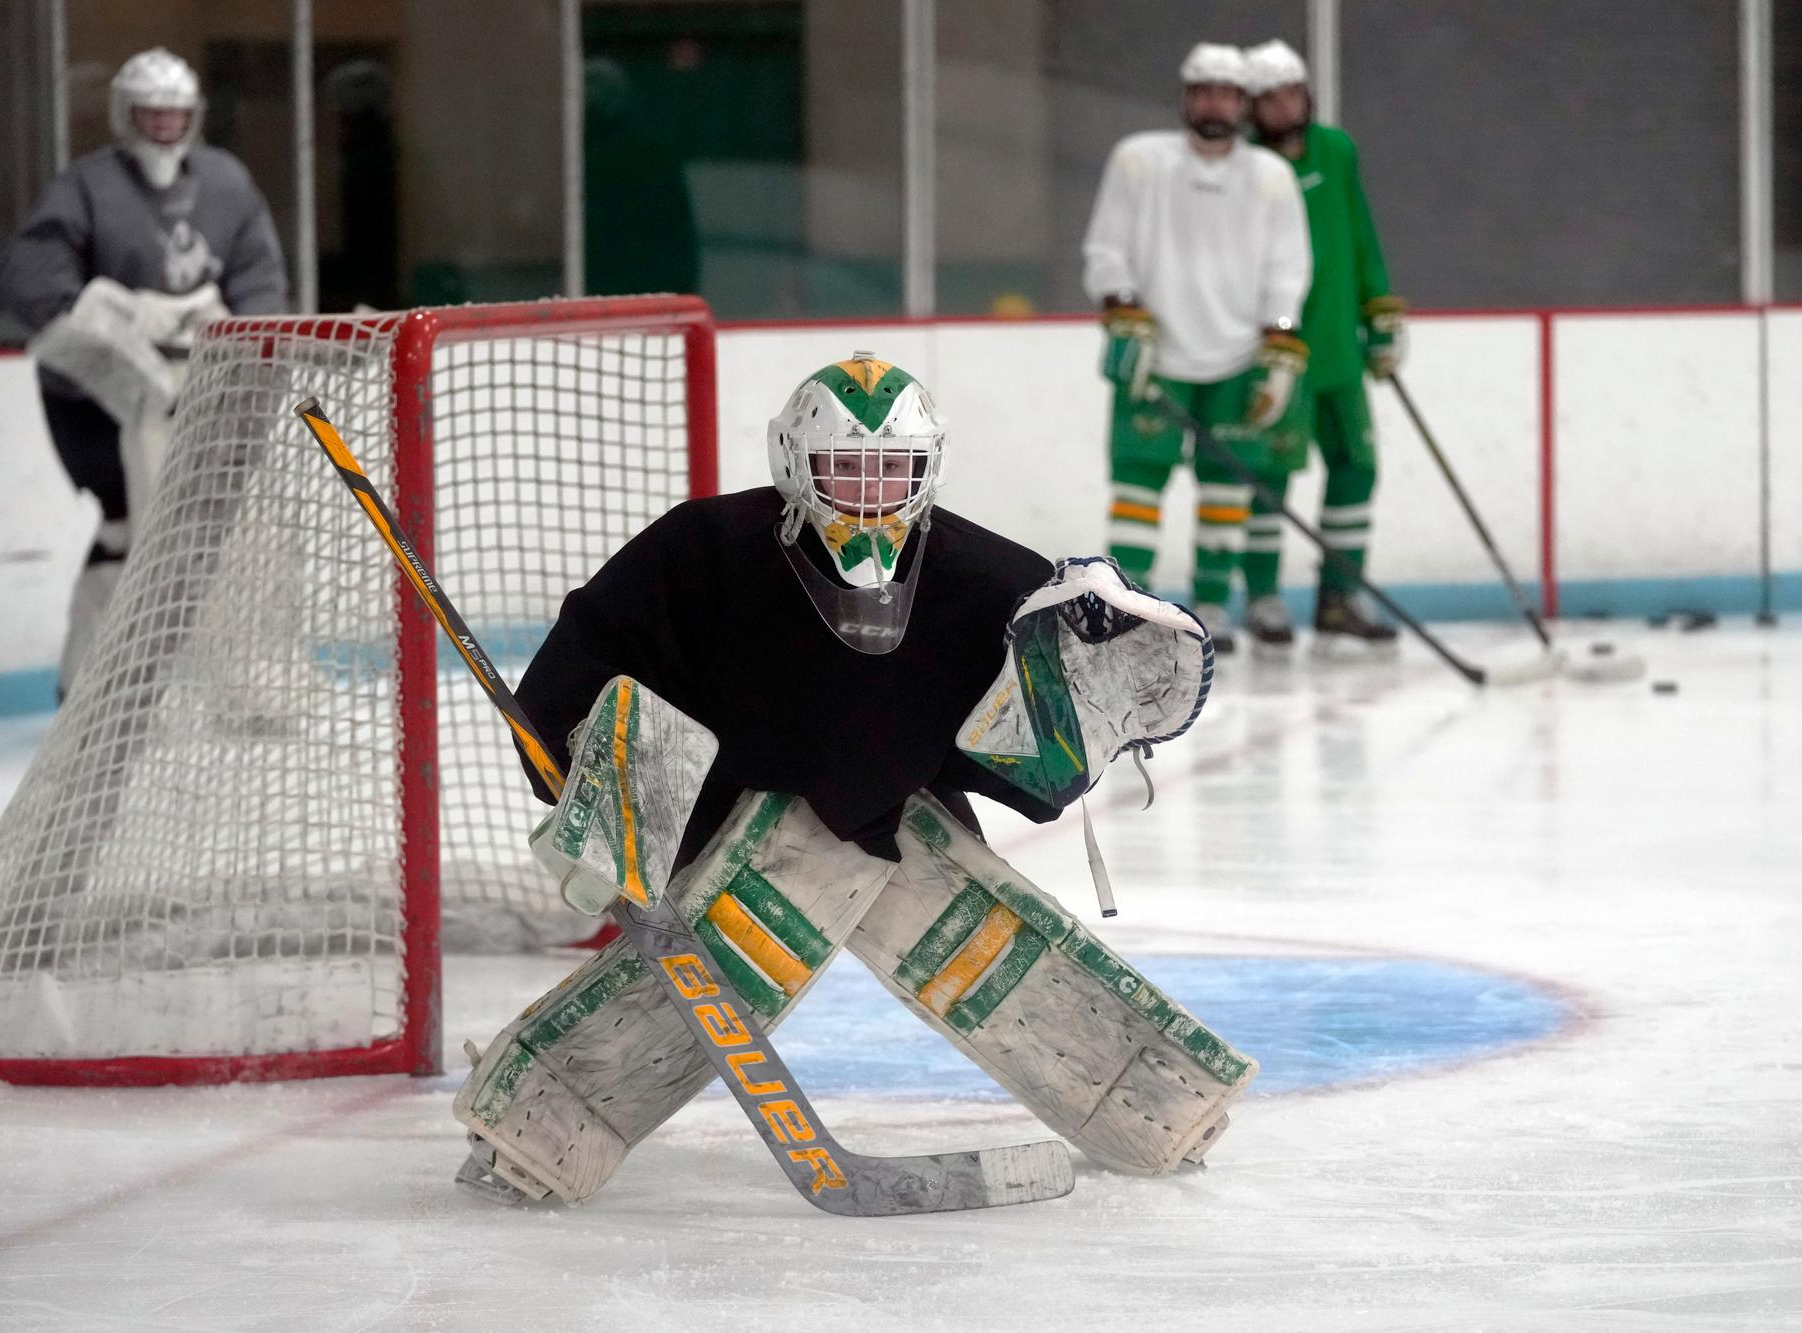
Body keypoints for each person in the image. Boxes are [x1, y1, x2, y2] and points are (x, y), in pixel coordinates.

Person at [451, 353, 1255, 1204]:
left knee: (982, 943)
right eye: (847, 464)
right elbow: (582, 664)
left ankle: (1162, 1107)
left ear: (926, 468)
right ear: (797, 460)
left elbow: (1031, 754)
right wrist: (599, 775)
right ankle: (530, 1134)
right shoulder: (704, 549)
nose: (870, 488)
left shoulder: (985, 576)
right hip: (728, 821)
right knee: (731, 943)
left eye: (892, 467)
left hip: (893, 823)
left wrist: (1086, 705)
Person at [0, 48, 288, 694]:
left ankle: (244, 680)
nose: (163, 126)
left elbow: (261, 282)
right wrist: (108, 319)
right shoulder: (84, 188)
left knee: (236, 530)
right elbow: (33, 280)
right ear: (123, 115)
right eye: (150, 114)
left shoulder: (227, 184)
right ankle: (92, 689)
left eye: (175, 114)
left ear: (195, 116)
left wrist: (236, 341)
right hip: (94, 402)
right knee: (127, 529)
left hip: (201, 389)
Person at [1081, 42, 1312, 653]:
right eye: (1203, 90)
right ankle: (1129, 606)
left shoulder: (1271, 176)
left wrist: (1280, 337)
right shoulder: (1138, 161)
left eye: (1227, 93)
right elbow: (1107, 249)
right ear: (1186, 96)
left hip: (1238, 356)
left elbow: (1289, 269)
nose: (1215, 102)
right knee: (1138, 480)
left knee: (1225, 487)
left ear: (1243, 104)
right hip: (1155, 352)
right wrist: (1121, 308)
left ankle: (1213, 605)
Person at [1240, 39, 1404, 650]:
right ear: (1253, 107)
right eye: (1270, 99)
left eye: (1292, 94)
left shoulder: (1336, 150)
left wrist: (1380, 309)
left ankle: (1340, 596)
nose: (1284, 107)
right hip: (1280, 353)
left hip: (1340, 349)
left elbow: (1360, 233)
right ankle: (1262, 598)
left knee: (1357, 467)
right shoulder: (1248, 168)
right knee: (1270, 476)